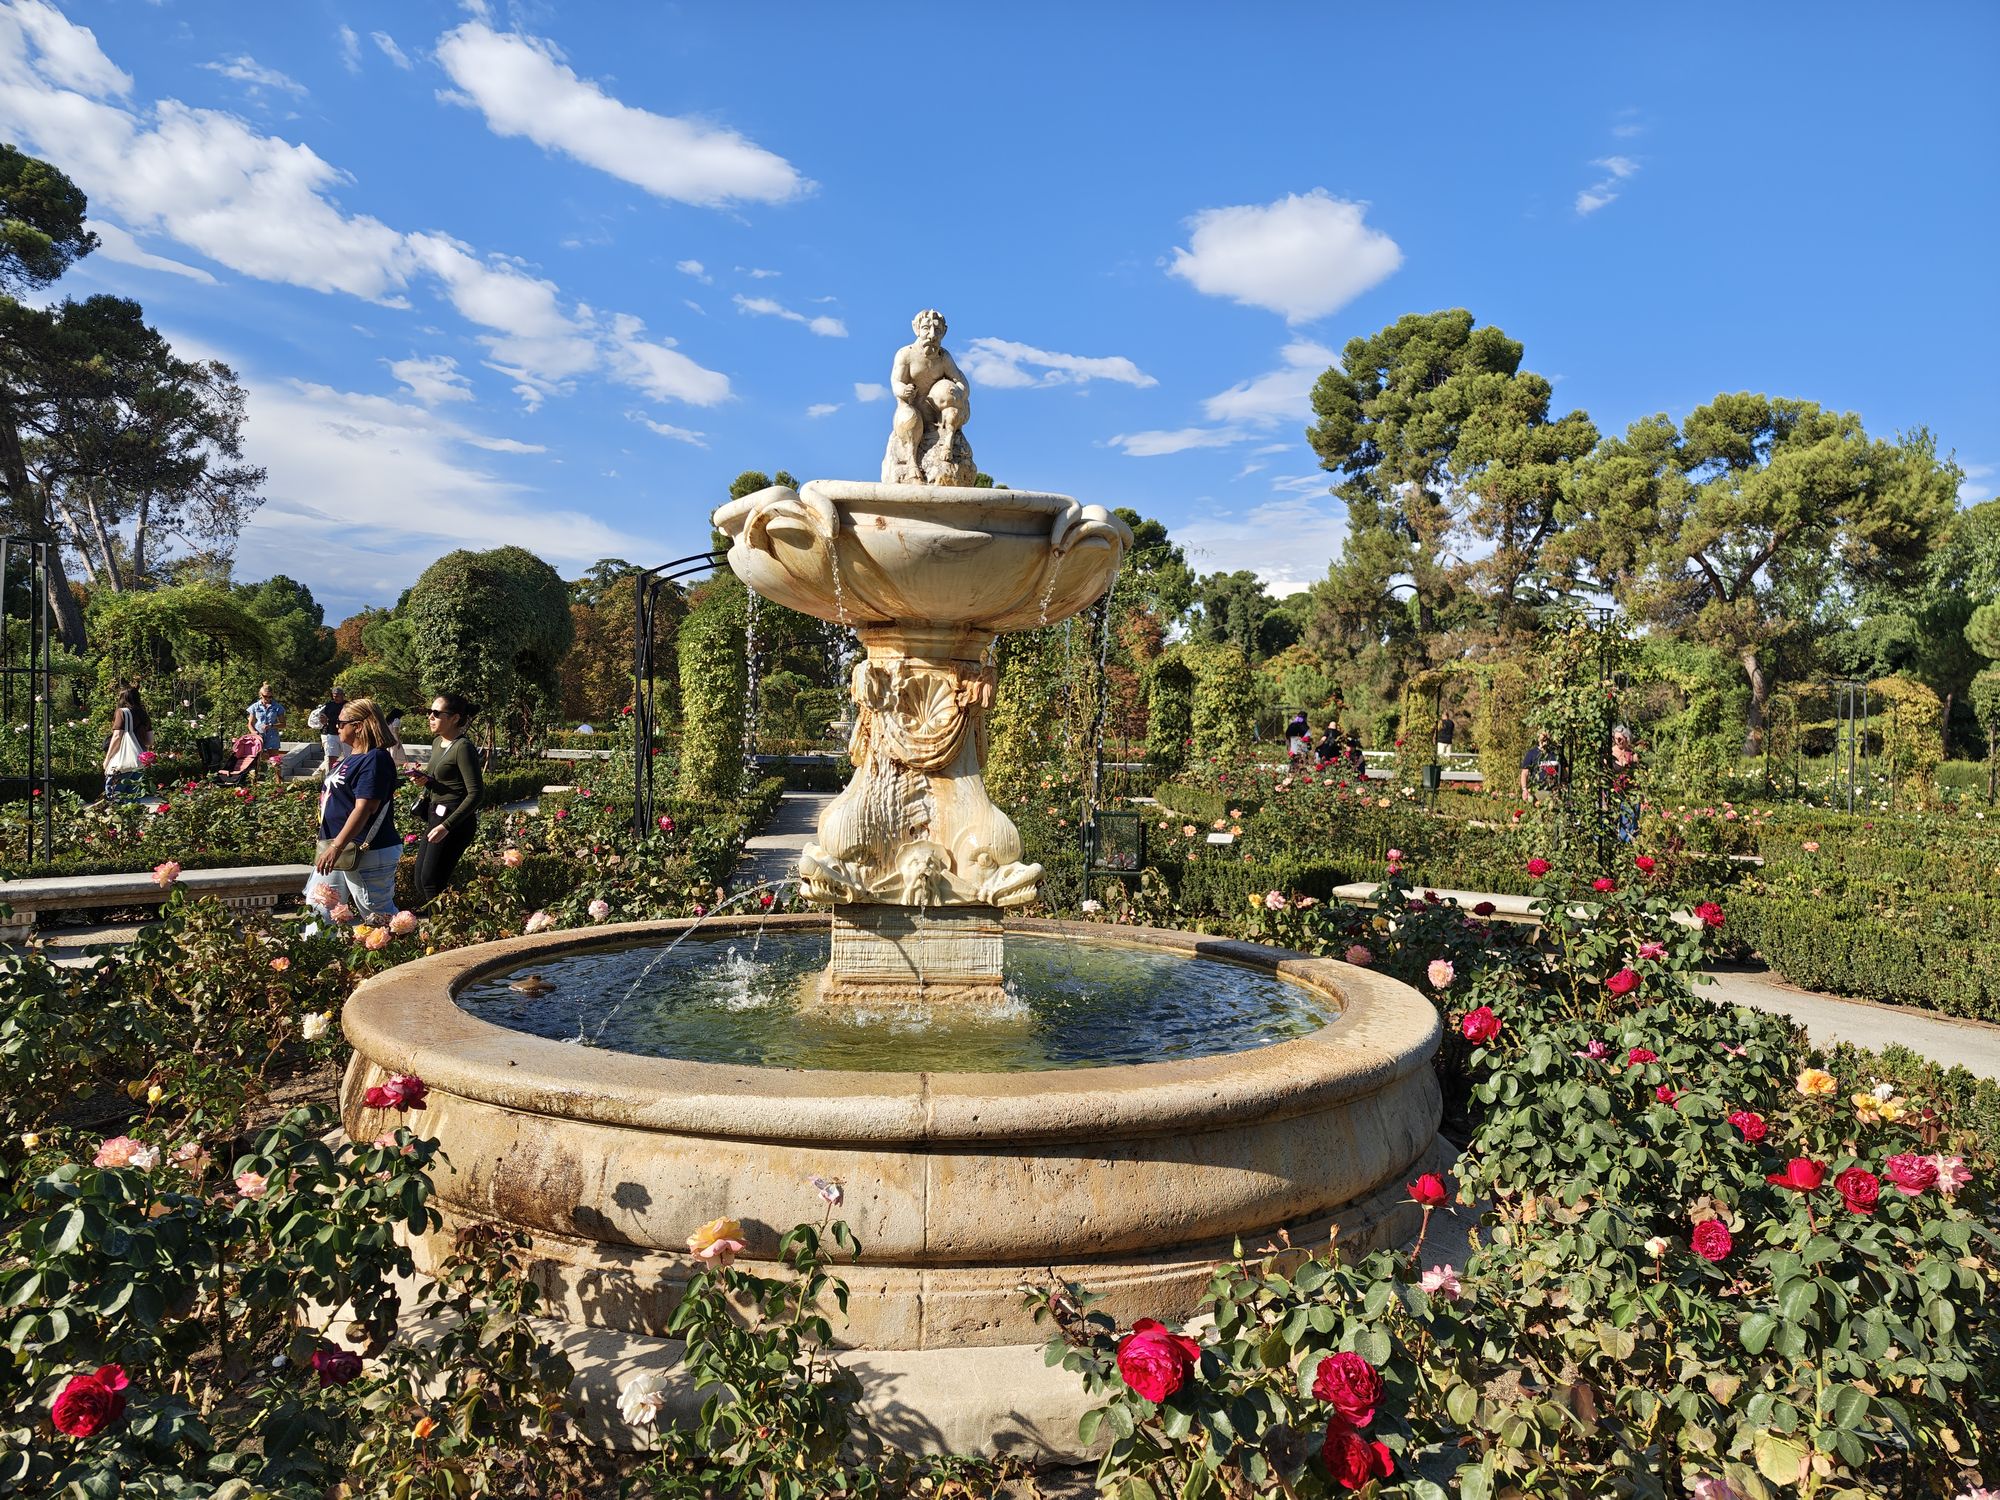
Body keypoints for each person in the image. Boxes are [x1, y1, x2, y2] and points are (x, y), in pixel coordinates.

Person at [307, 697, 401, 922]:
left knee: (376, 912)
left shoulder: (375, 758)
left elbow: (366, 807)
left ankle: (414, 955)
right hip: (337, 847)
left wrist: (337, 846)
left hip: (364, 848)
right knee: (319, 905)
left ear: (358, 726)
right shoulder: (350, 758)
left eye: (340, 723)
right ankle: (318, 954)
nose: (335, 727)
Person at [409, 691, 485, 907]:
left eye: (436, 713)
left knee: (430, 881)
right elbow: (445, 781)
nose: (430, 717)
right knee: (421, 880)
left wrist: (447, 826)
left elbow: (476, 793)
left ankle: (444, 932)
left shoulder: (463, 747)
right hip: (436, 814)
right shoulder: (437, 744)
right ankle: (454, 924)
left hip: (455, 821)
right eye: (429, 712)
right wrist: (427, 782)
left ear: (455, 718)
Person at [101, 683, 152, 801]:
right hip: (139, 762)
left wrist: (107, 759)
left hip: (122, 763)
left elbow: (117, 736)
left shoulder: (122, 712)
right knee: (133, 798)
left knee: (114, 796)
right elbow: (150, 741)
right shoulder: (143, 714)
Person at [247, 682, 286, 782]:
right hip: (259, 736)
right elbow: (250, 723)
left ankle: (278, 782)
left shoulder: (277, 707)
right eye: (265, 696)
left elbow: (283, 724)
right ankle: (253, 782)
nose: (268, 699)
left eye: (270, 696)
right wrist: (254, 732)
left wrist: (272, 725)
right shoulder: (255, 707)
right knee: (256, 760)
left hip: (272, 736)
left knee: (275, 760)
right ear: (261, 695)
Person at [314, 684, 346, 778]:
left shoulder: (347, 705)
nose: (335, 697)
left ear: (342, 695)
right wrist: (322, 719)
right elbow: (321, 716)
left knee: (348, 757)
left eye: (337, 695)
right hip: (331, 733)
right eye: (334, 695)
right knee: (331, 757)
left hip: (345, 734)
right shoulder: (328, 705)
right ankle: (330, 776)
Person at [1518, 729, 1559, 801]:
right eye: (1542, 734)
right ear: (1538, 737)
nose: (1545, 736)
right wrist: (1524, 789)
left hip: (1554, 792)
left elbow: (1565, 772)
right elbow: (1524, 773)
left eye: (1547, 734)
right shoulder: (1532, 753)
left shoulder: (1555, 753)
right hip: (1538, 792)